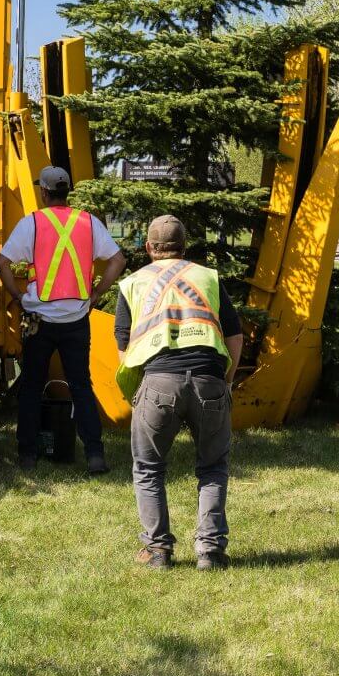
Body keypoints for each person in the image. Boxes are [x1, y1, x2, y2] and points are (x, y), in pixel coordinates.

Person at [115, 215, 244, 570]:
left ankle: (157, 551)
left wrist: (140, 392)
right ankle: (211, 551)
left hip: (158, 383)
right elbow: (234, 336)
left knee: (148, 468)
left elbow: (124, 350)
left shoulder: (133, 284)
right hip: (210, 380)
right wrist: (226, 379)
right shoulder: (208, 278)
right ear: (185, 246)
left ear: (148, 247)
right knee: (213, 467)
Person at [0, 165, 126, 474]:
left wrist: (17, 297)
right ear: (68, 191)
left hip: (39, 319)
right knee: (81, 385)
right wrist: (96, 294)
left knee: (31, 386)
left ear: (44, 192)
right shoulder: (89, 222)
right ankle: (95, 455)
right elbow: (118, 260)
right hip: (78, 319)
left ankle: (27, 455)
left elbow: (2, 264)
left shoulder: (33, 224)